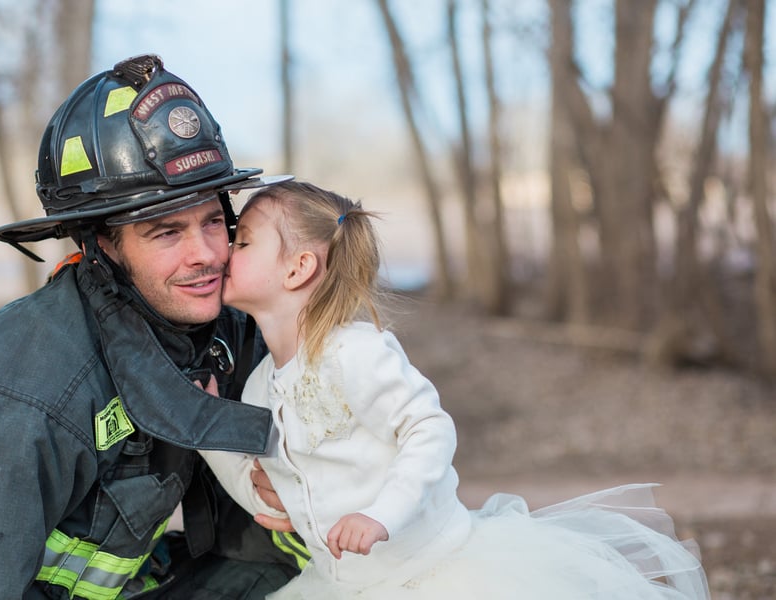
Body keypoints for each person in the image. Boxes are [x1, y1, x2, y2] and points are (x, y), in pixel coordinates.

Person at [0, 54, 303, 599]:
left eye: (213, 221)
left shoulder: (215, 327)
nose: (207, 255)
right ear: (101, 245)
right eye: (166, 232)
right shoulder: (29, 399)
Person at [197, 180, 711, 599]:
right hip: (341, 584)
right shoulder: (262, 385)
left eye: (243, 242)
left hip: (431, 572)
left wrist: (381, 515)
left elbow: (429, 430)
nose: (224, 252)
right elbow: (263, 490)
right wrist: (206, 419)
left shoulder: (354, 352)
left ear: (298, 268)